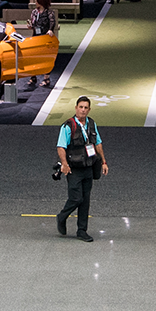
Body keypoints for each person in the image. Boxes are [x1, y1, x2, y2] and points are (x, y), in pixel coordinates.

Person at [56, 96, 108, 242]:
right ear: (76, 108)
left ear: (89, 109)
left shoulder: (91, 124)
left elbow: (98, 143)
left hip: (88, 168)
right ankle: (62, 217)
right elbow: (61, 147)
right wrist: (64, 164)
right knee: (76, 198)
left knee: (85, 200)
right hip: (73, 169)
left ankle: (82, 230)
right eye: (81, 107)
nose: (83, 110)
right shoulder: (68, 126)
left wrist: (103, 162)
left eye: (86, 108)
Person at [26, 0, 59, 90]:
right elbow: (33, 23)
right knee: (33, 57)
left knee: (45, 58)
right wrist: (30, 26)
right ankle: (33, 76)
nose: (35, 3)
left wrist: (50, 30)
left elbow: (52, 22)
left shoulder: (49, 13)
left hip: (45, 37)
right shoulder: (34, 12)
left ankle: (46, 78)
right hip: (35, 36)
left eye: (37, 1)